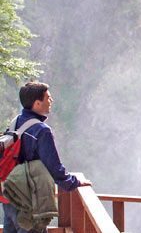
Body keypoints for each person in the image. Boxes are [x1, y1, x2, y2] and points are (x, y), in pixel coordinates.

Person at [2, 82, 91, 233]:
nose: (51, 101)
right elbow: (54, 168)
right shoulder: (42, 131)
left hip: (10, 198)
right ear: (37, 103)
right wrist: (74, 182)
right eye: (48, 98)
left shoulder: (16, 122)